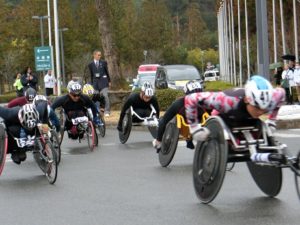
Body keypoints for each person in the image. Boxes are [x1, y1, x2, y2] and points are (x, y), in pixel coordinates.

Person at [183, 75, 286, 163]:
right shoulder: (225, 100)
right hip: (225, 116)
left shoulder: (274, 98)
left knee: (260, 134)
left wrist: (272, 120)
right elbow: (190, 98)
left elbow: (282, 93)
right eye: (257, 107)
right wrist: (194, 128)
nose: (260, 111)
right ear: (247, 99)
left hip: (248, 119)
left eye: (264, 108)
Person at [152, 80, 204, 152]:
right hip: (184, 126)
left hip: (200, 125)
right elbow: (163, 121)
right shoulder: (178, 104)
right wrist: (159, 140)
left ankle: (190, 140)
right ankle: (189, 139)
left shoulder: (207, 102)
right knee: (162, 120)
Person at [88, 50, 111, 117]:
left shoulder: (104, 62)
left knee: (105, 95)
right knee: (95, 96)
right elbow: (91, 75)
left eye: (100, 55)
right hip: (95, 83)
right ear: (94, 55)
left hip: (104, 82)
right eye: (98, 55)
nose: (99, 56)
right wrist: (91, 84)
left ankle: (107, 111)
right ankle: (96, 110)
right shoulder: (90, 64)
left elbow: (107, 72)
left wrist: (109, 81)